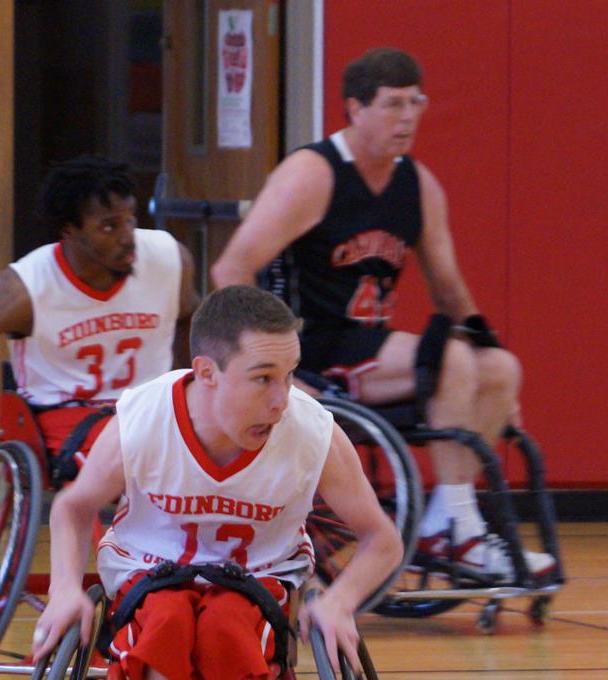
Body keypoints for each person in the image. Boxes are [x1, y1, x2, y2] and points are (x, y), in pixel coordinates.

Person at [30, 285, 402, 680]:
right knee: (171, 617)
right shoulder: (145, 418)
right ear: (206, 372)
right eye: (262, 378)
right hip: (149, 573)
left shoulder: (313, 434)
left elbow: (382, 538)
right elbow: (73, 508)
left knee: (226, 622)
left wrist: (341, 602)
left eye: (290, 375)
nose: (282, 399)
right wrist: (68, 589)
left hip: (256, 582)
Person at [211, 46, 553, 583]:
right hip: (315, 347)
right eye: (394, 104)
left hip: (373, 347)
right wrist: (270, 368)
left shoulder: (416, 184)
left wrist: (489, 344)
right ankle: (455, 530)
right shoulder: (312, 174)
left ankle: (452, 517)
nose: (408, 116)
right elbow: (230, 270)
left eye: (416, 103)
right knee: (451, 362)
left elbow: (447, 287)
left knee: (498, 368)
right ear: (355, 108)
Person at [0, 155, 198, 494]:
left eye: (130, 220)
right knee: (139, 463)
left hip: (150, 410)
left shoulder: (168, 258)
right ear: (69, 230)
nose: (127, 237)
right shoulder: (25, 289)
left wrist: (194, 390)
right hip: (66, 417)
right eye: (109, 226)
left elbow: (190, 315)